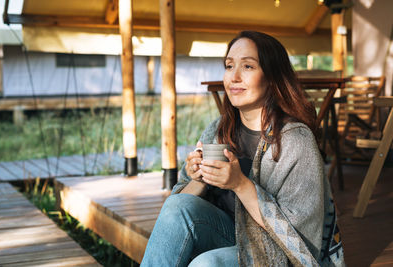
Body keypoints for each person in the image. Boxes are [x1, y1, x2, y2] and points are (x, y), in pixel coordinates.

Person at [140, 31, 345, 267]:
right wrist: (198, 179)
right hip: (230, 236)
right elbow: (174, 218)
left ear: (272, 77)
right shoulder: (218, 129)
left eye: (247, 67)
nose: (234, 77)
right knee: (177, 205)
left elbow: (299, 239)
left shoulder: (295, 140)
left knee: (207, 264)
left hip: (279, 252)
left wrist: (239, 184)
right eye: (229, 66)